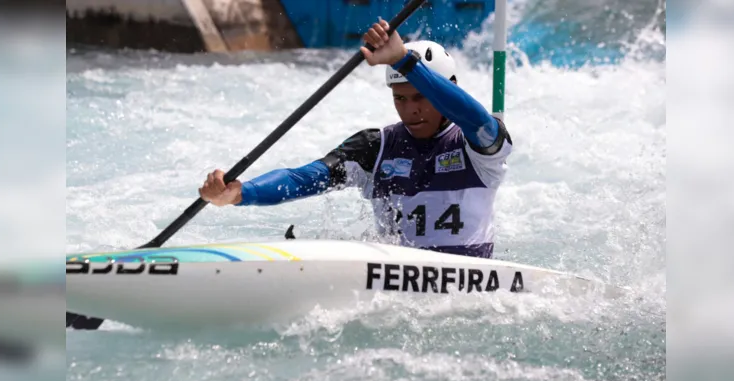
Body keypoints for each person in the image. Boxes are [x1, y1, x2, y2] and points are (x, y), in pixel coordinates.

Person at [199, 18, 513, 259]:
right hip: (394, 284)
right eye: (400, 98)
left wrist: (404, 60)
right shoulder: (375, 147)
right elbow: (302, 178)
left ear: (449, 88)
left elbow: (473, 115)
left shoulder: (481, 145)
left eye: (420, 97)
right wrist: (242, 193)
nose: (410, 110)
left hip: (469, 286)